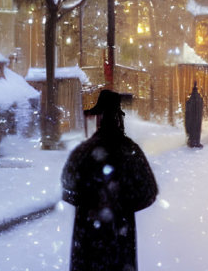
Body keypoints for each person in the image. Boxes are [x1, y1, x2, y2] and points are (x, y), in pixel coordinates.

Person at [62, 89, 158, 271]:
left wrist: (90, 205)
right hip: (119, 241)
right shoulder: (130, 151)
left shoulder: (83, 152)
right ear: (119, 118)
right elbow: (148, 192)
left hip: (87, 242)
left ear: (99, 118)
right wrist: (121, 206)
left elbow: (68, 188)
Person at [184, 81, 204, 148]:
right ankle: (196, 142)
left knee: (192, 128)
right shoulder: (199, 98)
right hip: (197, 117)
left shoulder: (190, 99)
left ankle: (192, 142)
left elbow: (187, 109)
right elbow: (201, 106)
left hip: (191, 118)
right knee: (197, 129)